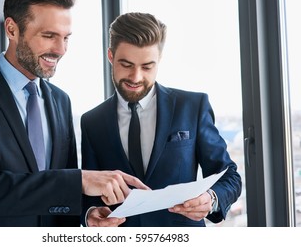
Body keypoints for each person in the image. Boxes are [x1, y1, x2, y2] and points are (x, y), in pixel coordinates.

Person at [0, 0, 148, 227]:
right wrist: (79, 181)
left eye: (66, 37)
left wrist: (86, 217)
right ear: (12, 29)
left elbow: (58, 191)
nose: (61, 49)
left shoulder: (61, 100)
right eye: (49, 35)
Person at [80, 12, 242, 227]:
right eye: (126, 65)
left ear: (159, 60)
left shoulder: (192, 106)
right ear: (110, 56)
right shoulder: (92, 121)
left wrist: (211, 199)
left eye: (147, 67)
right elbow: (88, 191)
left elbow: (229, 176)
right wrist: (90, 213)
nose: (136, 77)